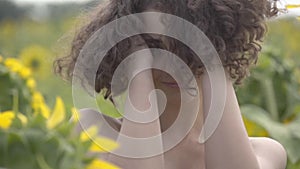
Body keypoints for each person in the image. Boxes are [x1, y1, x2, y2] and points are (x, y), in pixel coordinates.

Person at [54, 0, 287, 169]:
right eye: (154, 45)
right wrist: (138, 65)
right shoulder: (91, 129)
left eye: (187, 46)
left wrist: (212, 57)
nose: (173, 64)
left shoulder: (266, 152)